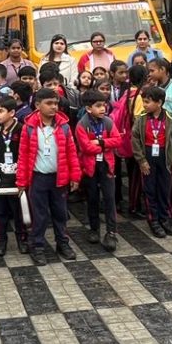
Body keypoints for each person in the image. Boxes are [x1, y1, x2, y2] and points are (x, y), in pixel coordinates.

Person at [15, 88, 81, 265]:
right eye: (49, 103)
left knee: (60, 213)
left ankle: (62, 243)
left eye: (56, 103)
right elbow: (23, 156)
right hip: (38, 179)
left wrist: (75, 176)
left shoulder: (64, 126)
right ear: (38, 105)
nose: (53, 107)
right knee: (40, 215)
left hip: (59, 178)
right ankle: (37, 246)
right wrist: (21, 181)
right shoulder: (29, 128)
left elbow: (72, 153)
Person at [74, 90, 123, 250]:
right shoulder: (82, 125)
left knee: (109, 199)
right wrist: (104, 145)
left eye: (104, 105)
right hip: (90, 167)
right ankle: (94, 229)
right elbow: (86, 148)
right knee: (92, 199)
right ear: (89, 108)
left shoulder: (108, 122)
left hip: (107, 166)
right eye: (99, 106)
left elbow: (117, 140)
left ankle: (111, 232)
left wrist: (100, 143)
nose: (103, 108)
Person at [134, 84, 172, 236]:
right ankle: (153, 220)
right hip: (148, 157)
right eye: (144, 101)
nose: (144, 105)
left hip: (165, 157)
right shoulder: (141, 118)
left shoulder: (170, 117)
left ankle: (164, 219)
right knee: (150, 190)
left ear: (159, 102)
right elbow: (135, 139)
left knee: (165, 189)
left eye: (148, 102)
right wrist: (141, 160)